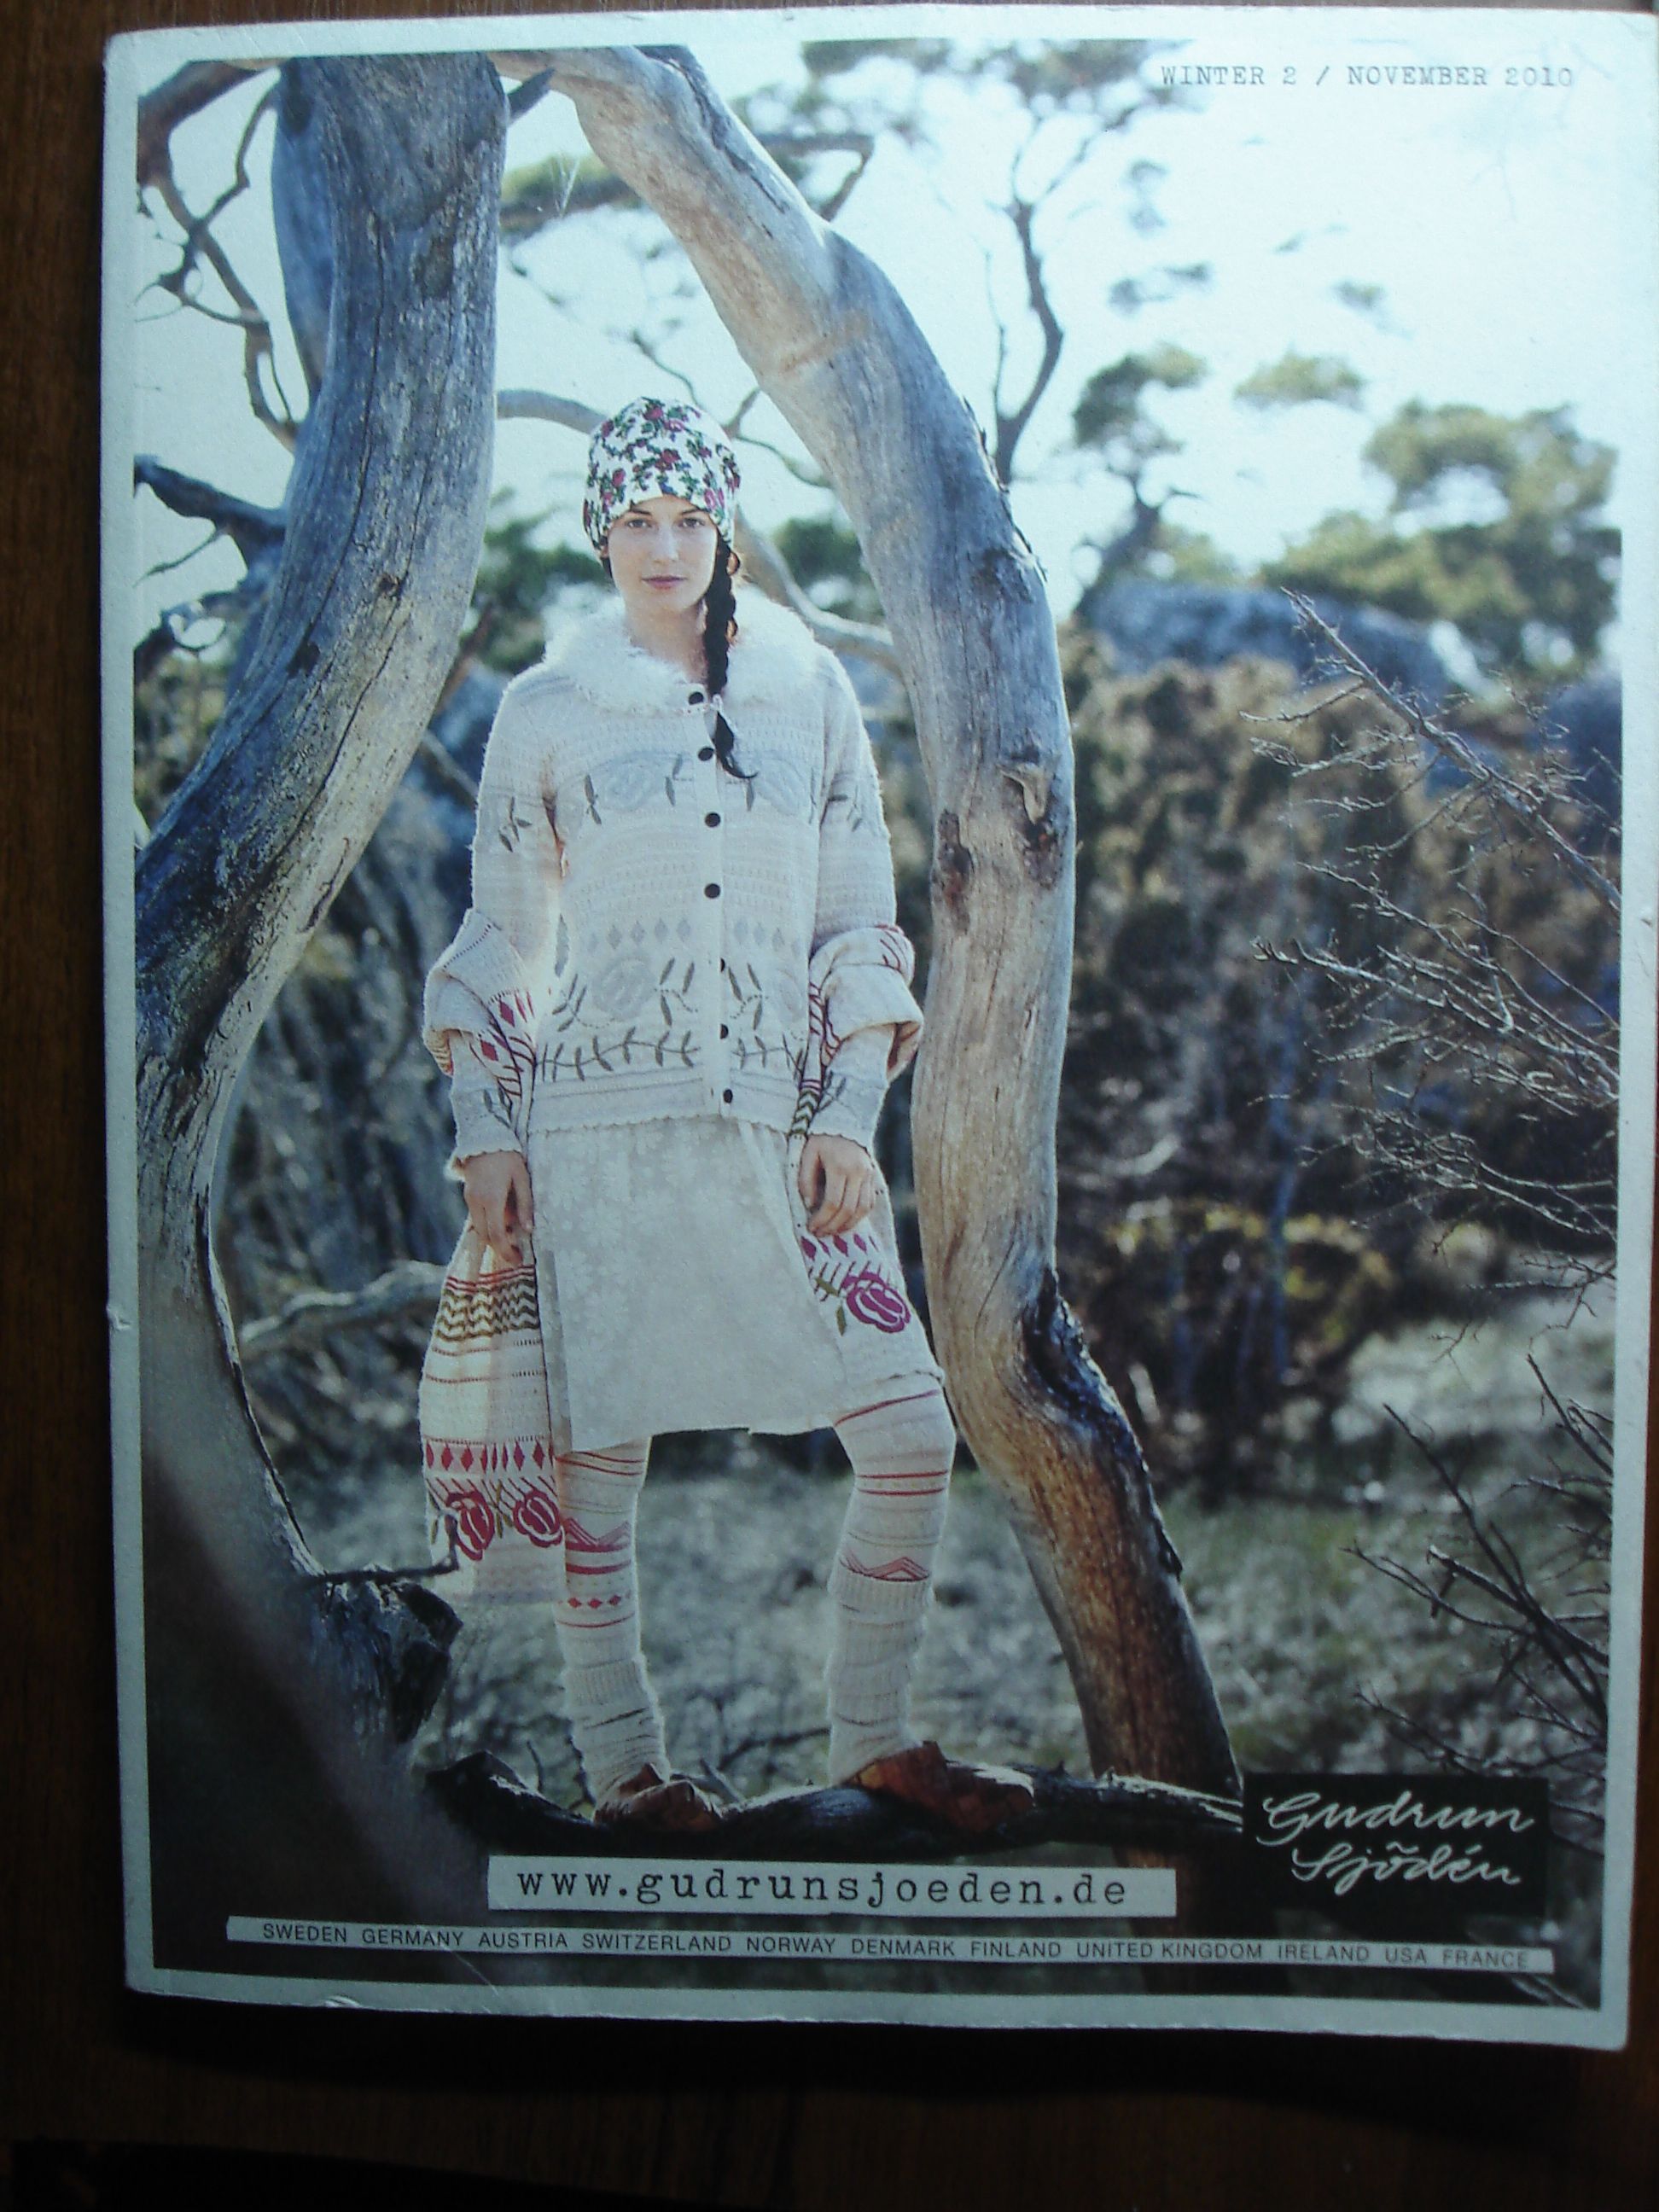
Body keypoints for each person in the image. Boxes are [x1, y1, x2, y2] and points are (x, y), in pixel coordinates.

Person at [418, 398, 1033, 1836]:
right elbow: (504, 935)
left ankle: (875, 1735)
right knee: (601, 1457)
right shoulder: (545, 712)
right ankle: (625, 1769)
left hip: (784, 1127)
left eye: (690, 517)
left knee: (908, 1429)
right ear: (599, 530)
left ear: (725, 527)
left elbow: (858, 923)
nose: (665, 546)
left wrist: (847, 1110)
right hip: (597, 1132)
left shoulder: (809, 696)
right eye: (636, 519)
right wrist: (487, 1125)